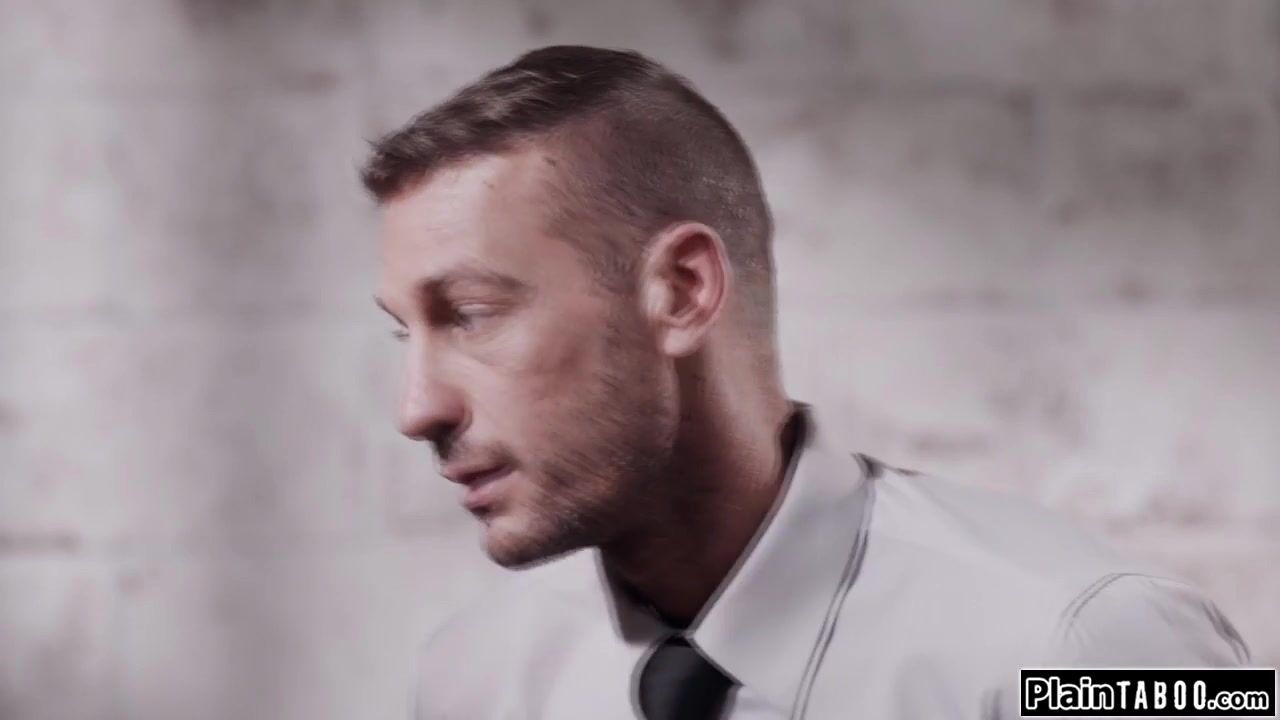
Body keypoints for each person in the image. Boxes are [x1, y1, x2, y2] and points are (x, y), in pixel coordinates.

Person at [362, 46, 1250, 720]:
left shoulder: (1095, 646)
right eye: (406, 331)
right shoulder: (473, 678)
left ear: (682, 290)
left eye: (470, 313)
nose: (417, 409)